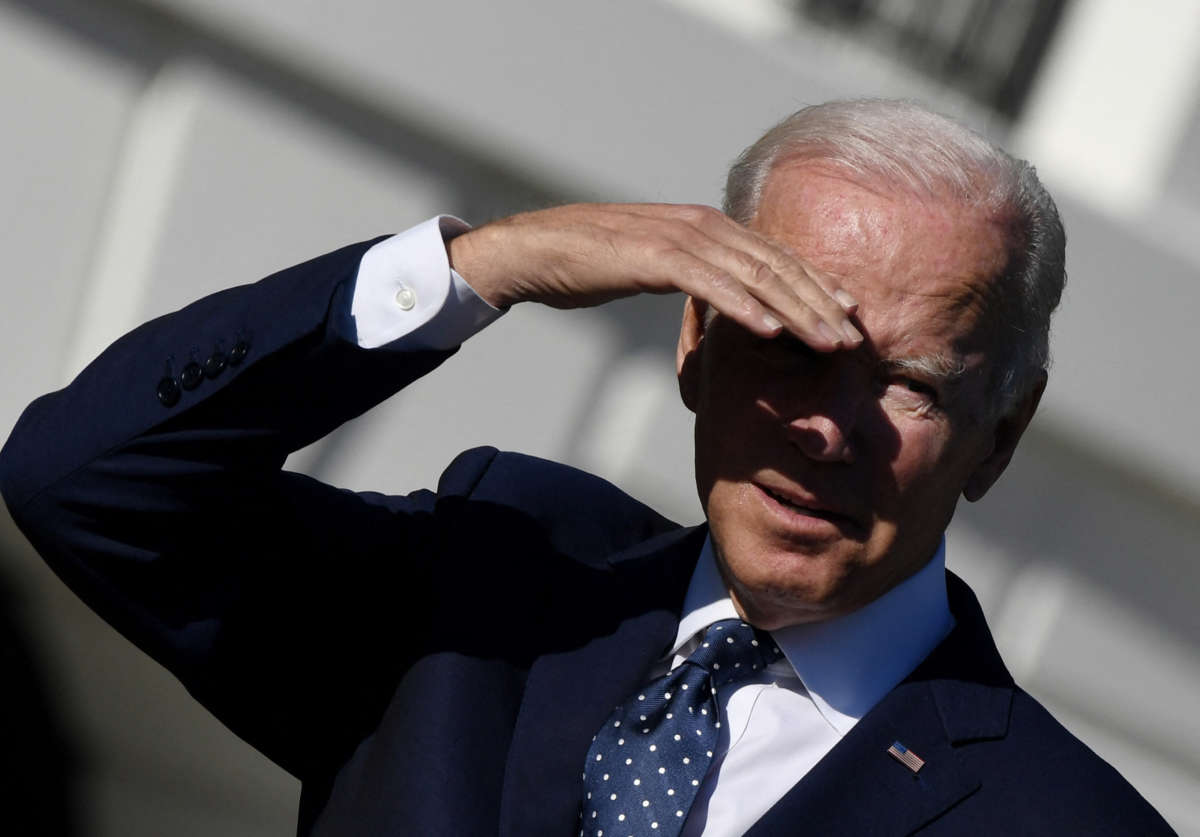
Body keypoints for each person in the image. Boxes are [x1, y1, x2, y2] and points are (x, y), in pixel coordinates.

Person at [0, 99, 1173, 835]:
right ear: (694, 346)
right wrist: (489, 264)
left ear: (1001, 435)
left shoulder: (1060, 817)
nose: (827, 427)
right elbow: (88, 479)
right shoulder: (490, 587)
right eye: (784, 341)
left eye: (908, 384)